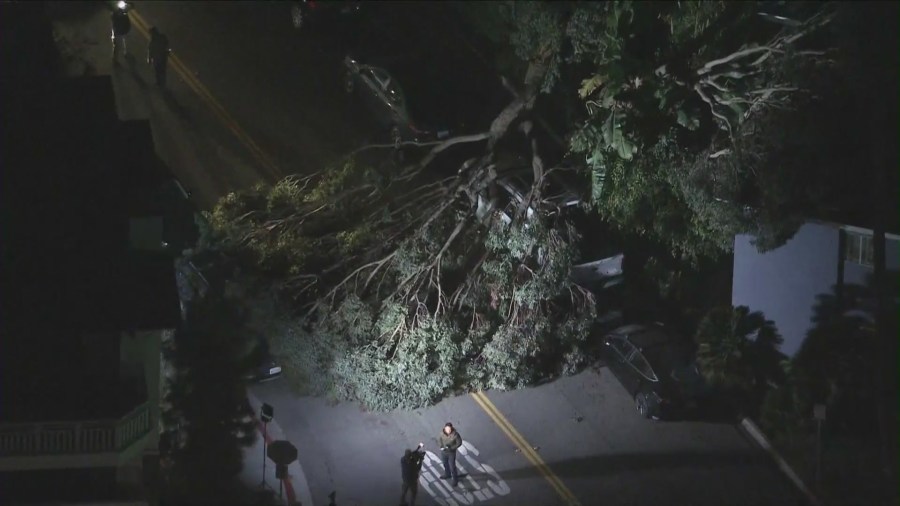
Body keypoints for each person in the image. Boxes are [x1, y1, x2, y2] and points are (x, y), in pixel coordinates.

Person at [438, 422, 462, 487]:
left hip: (451, 452)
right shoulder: (442, 433)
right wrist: (441, 446)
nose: (448, 430)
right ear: (445, 428)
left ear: (451, 428)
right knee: (445, 463)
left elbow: (459, 443)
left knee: (452, 466)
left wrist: (452, 448)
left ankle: (455, 479)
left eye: (449, 429)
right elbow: (440, 439)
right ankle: (447, 474)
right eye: (447, 429)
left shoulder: (455, 435)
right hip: (444, 452)